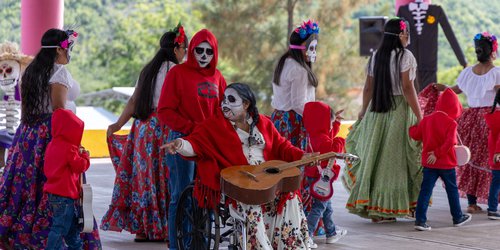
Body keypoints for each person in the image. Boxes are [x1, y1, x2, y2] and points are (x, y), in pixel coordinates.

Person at [162, 83, 310, 249]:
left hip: (266, 181)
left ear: (246, 104)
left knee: (290, 197)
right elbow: (195, 143)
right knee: (251, 203)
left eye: (231, 100)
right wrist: (180, 144)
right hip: (239, 186)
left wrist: (301, 155)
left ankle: (288, 246)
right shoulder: (214, 125)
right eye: (223, 99)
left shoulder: (263, 123)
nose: (224, 104)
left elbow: (282, 145)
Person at [0, 28, 101, 249]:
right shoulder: (59, 73)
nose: (70, 53)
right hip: (50, 133)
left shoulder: (30, 71)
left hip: (27, 133)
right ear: (58, 50)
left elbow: (26, 107)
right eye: (69, 48)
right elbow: (59, 111)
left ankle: (16, 234)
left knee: (25, 184)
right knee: (57, 183)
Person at [101, 24, 188, 242]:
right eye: (184, 49)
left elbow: (133, 101)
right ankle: (166, 227)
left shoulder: (148, 70)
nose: (186, 54)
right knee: (167, 176)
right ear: (176, 49)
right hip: (165, 128)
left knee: (144, 179)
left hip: (142, 129)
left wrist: (117, 125)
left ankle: (143, 229)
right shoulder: (176, 71)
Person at [342, 18, 423, 222]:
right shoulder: (406, 56)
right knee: (395, 161)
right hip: (399, 112)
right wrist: (419, 114)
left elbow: (368, 87)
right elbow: (407, 88)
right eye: (407, 33)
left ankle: (376, 209)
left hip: (376, 110)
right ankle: (394, 207)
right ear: (402, 34)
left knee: (375, 159)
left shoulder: (376, 56)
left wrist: (362, 111)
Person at [157, 28, 226, 249]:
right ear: (191, 50)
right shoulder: (177, 74)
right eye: (199, 50)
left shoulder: (218, 76)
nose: (204, 55)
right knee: (180, 194)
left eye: (209, 51)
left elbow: (225, 110)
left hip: (207, 143)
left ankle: (201, 243)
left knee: (208, 193)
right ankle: (177, 245)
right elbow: (165, 111)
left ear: (214, 52)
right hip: (181, 139)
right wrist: (191, 127)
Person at [435, 32, 500, 213]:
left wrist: (442, 88)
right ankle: (493, 203)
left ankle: (472, 203)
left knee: (471, 160)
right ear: (493, 51)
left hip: (469, 120)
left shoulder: (467, 73)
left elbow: (453, 91)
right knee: (492, 161)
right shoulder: (496, 74)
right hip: (491, 120)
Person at [409, 89, 472, 231]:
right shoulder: (451, 123)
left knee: (425, 191)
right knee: (452, 190)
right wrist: (437, 154)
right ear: (454, 107)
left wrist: (410, 127)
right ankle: (457, 217)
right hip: (446, 164)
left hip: (429, 164)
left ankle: (420, 220)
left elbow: (416, 135)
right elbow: (450, 143)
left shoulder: (427, 120)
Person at [44, 108, 91, 249]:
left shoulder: (51, 145)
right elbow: (80, 166)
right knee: (59, 229)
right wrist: (85, 156)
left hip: (53, 194)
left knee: (70, 228)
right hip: (65, 196)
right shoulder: (69, 148)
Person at [302, 101, 347, 248]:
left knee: (327, 207)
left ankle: (331, 233)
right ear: (323, 122)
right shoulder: (323, 140)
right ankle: (306, 236)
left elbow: (328, 136)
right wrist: (341, 140)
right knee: (319, 208)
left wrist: (336, 125)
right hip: (322, 180)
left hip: (313, 176)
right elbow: (334, 149)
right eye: (330, 122)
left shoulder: (312, 136)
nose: (330, 126)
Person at [271, 19, 319, 151]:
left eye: (315, 47)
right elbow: (298, 103)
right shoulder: (299, 70)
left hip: (278, 119)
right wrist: (315, 118)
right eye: (311, 47)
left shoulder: (284, 62)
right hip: (293, 122)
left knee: (280, 163)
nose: (314, 51)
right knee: (294, 164)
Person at [484, 89, 500, 219]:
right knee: (496, 184)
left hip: (493, 157)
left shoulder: (493, 116)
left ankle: (492, 208)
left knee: (495, 184)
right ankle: (493, 209)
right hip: (498, 155)